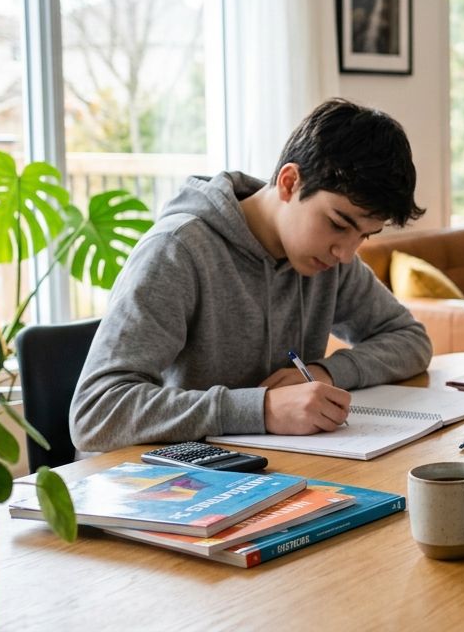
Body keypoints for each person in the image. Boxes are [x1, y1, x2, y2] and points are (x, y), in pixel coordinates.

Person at [70, 98, 433, 451]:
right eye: (338, 224)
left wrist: (326, 372)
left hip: (267, 469)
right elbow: (96, 413)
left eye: (364, 236)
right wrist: (262, 409)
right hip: (166, 487)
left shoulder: (328, 258)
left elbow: (411, 340)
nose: (346, 253)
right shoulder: (177, 250)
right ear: (290, 182)